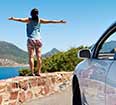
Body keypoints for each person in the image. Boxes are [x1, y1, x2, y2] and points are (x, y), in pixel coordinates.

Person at [8, 8, 66, 76]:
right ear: (37, 14)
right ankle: (38, 72)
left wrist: (13, 18)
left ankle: (32, 73)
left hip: (31, 39)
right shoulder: (39, 20)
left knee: (31, 57)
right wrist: (59, 21)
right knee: (39, 56)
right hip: (38, 40)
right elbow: (50, 21)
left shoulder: (29, 20)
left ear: (31, 14)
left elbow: (20, 20)